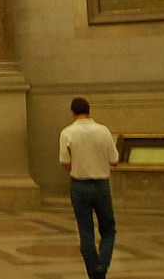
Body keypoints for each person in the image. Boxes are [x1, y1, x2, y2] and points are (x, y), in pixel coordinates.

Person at [59, 97, 118, 279]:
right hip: (101, 184)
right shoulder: (103, 131)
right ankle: (103, 264)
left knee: (86, 231)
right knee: (108, 229)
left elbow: (65, 163)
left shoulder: (67, 132)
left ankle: (94, 274)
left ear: (73, 112)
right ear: (89, 111)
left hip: (79, 185)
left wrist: (78, 167)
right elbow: (114, 160)